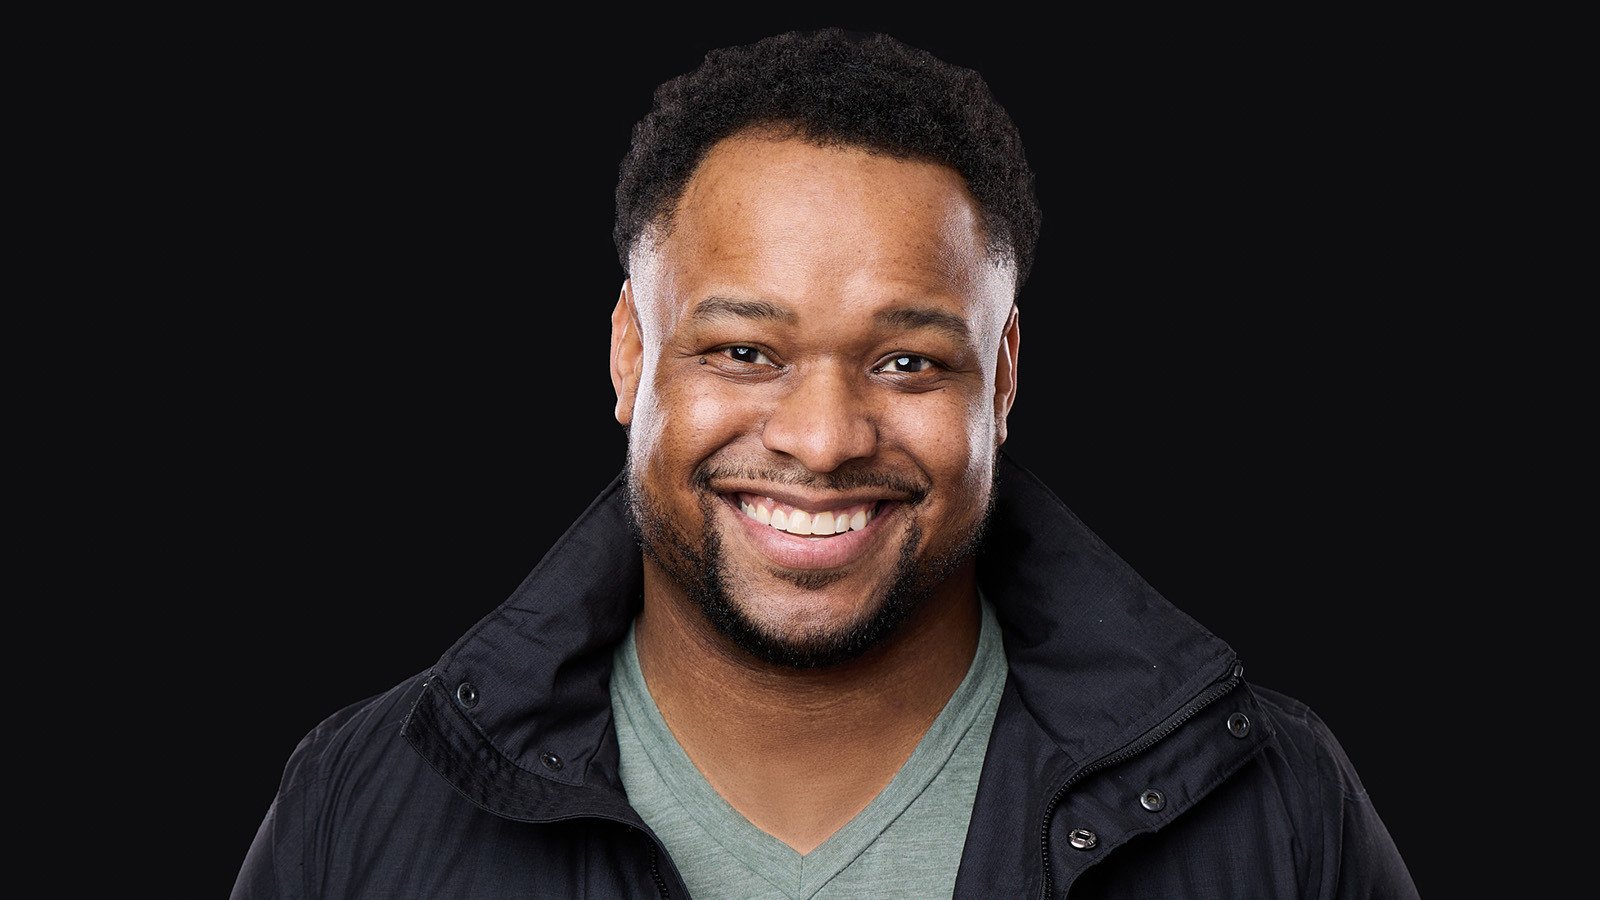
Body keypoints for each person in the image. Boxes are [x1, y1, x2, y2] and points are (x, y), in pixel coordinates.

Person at [233, 28, 1417, 898]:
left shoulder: (1272, 808)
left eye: (905, 364)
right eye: (746, 351)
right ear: (628, 353)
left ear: (1000, 379)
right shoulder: (366, 806)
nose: (821, 438)